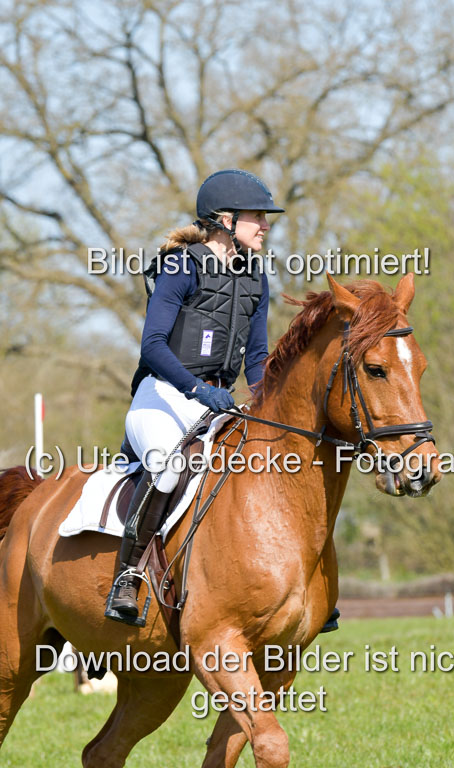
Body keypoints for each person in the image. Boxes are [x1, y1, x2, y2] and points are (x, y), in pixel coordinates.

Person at [107, 169, 285, 621]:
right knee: (168, 467)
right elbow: (152, 345)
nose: (265, 225)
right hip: (164, 395)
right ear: (225, 220)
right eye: (257, 217)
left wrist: (270, 403)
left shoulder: (255, 278)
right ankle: (126, 578)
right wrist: (199, 389)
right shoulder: (180, 266)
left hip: (218, 402)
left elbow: (258, 356)